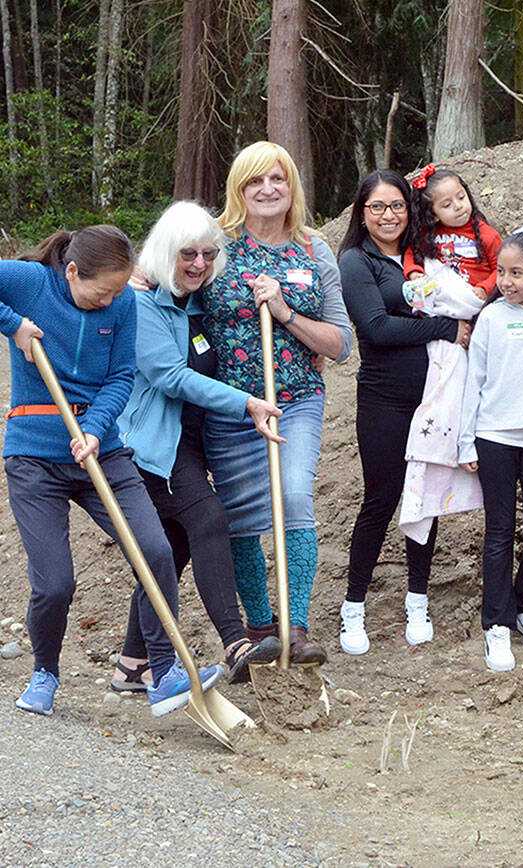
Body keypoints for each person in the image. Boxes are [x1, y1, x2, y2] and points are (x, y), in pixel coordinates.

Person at [1, 226, 223, 717]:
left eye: (119, 292)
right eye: (102, 292)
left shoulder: (122, 304)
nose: (110, 302)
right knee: (55, 582)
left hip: (101, 450)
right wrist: (11, 323)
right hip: (35, 456)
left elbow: (122, 374)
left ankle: (162, 673)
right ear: (73, 272)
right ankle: (45, 672)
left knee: (156, 551)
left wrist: (98, 429)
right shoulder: (31, 283)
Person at [111, 202, 286, 691]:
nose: (199, 264)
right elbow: (169, 376)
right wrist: (247, 403)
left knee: (172, 550)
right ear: (167, 251)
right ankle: (236, 643)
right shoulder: (141, 303)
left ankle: (132, 664)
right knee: (208, 520)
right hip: (148, 449)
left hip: (186, 445)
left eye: (209, 254)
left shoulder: (197, 300)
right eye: (188, 254)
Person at [203, 141, 353, 665]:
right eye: (254, 182)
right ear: (238, 191)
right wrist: (139, 274)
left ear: (292, 186)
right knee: (241, 515)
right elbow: (167, 286)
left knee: (293, 499)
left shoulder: (314, 249)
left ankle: (297, 625)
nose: (267, 190)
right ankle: (260, 626)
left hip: (296, 401)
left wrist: (286, 312)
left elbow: (340, 343)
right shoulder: (214, 246)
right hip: (233, 405)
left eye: (277, 179)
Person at [337, 170, 470, 655]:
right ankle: (353, 607)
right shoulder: (355, 260)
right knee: (382, 498)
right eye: (377, 207)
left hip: (436, 396)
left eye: (396, 206)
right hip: (384, 400)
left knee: (426, 498)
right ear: (362, 213)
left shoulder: (428, 253)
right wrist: (444, 327)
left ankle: (418, 599)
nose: (388, 216)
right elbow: (375, 327)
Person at [458, 228, 523, 671]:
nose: (506, 281)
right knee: (499, 529)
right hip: (494, 436)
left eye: (517, 273)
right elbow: (474, 380)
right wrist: (466, 438)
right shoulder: (492, 318)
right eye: (501, 271)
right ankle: (496, 623)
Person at [405, 164, 502, 296]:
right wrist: (414, 272)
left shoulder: (487, 234)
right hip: (444, 297)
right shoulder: (428, 235)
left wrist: (484, 288)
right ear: (433, 215)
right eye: (447, 205)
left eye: (461, 197)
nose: (458, 206)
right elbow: (411, 251)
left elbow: (502, 269)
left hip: (478, 298)